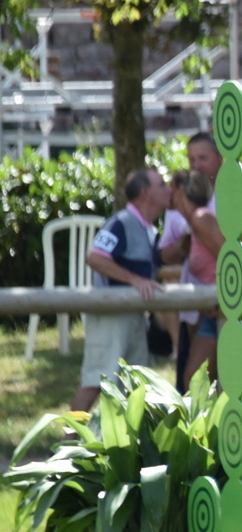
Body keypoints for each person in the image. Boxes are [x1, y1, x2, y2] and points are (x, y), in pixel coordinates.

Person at [77, 168, 170, 411]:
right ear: (146, 193)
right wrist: (135, 280)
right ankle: (67, 435)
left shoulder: (147, 228)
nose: (168, 189)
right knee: (96, 381)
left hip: (134, 315)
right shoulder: (121, 222)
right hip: (111, 315)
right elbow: (96, 258)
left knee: (136, 385)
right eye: (162, 184)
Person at [162, 132, 225, 381]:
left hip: (229, 310)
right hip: (211, 309)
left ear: (179, 193)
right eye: (191, 159)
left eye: (169, 190)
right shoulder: (194, 224)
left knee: (238, 385)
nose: (166, 196)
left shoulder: (201, 219)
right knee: (194, 380)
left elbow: (234, 260)